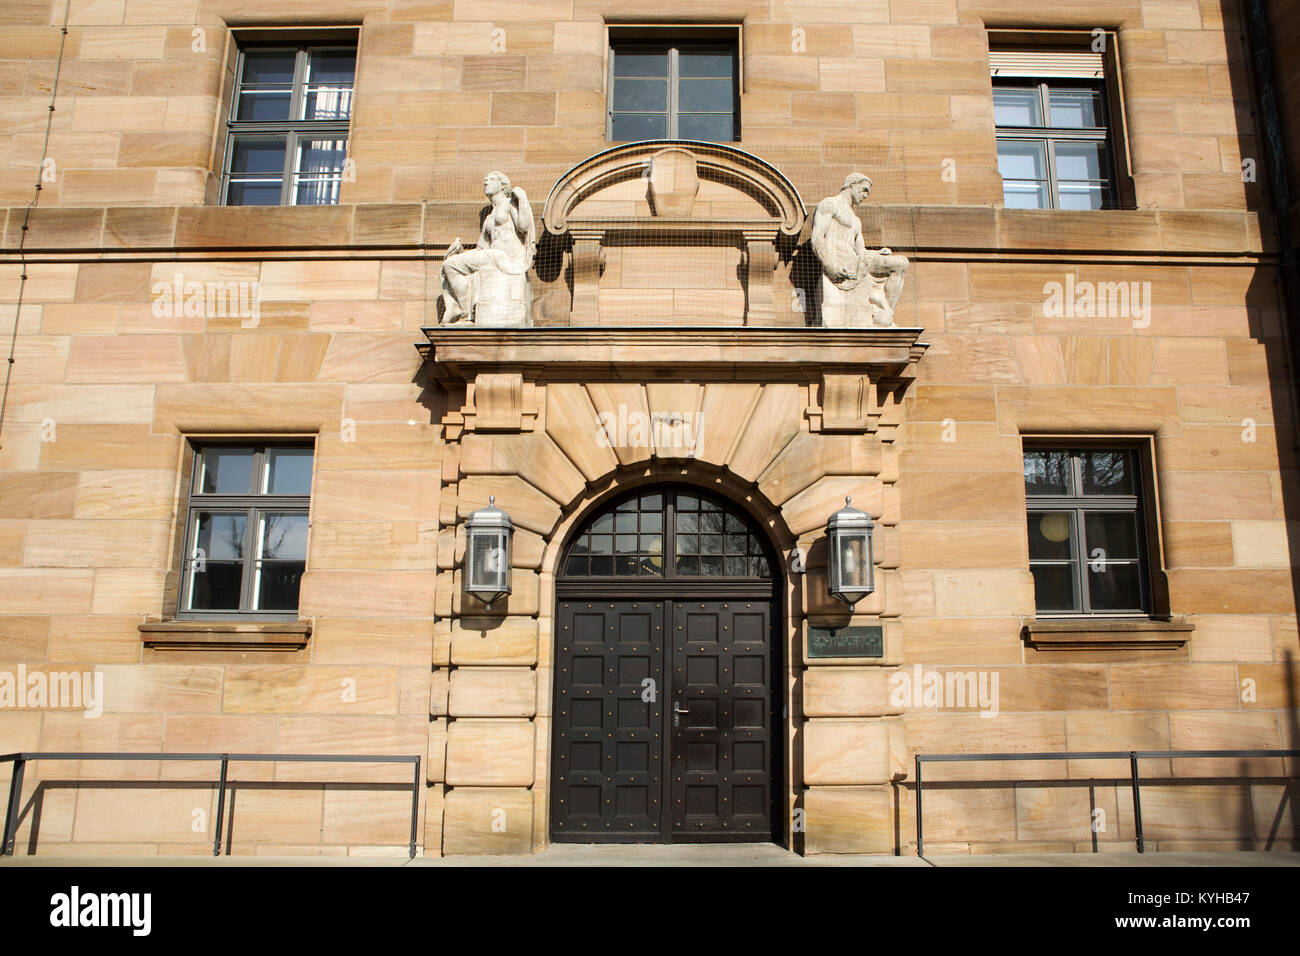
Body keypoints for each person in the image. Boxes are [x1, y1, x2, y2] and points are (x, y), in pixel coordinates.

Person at [810, 172, 908, 327]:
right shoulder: (830, 204)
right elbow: (817, 238)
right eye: (864, 190)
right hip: (839, 262)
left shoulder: (856, 220)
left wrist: (878, 253)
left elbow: (861, 251)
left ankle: (886, 315)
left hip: (856, 261)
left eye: (867, 192)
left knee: (901, 263)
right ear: (852, 184)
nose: (865, 195)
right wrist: (829, 265)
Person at [440, 171, 536, 325]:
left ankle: (465, 314)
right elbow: (481, 248)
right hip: (492, 255)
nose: (486, 181)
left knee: (452, 264)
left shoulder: (510, 204)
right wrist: (459, 252)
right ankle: (463, 312)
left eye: (491, 179)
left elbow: (524, 226)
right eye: (485, 179)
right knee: (450, 264)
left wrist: (523, 199)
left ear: (503, 185)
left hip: (507, 256)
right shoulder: (489, 218)